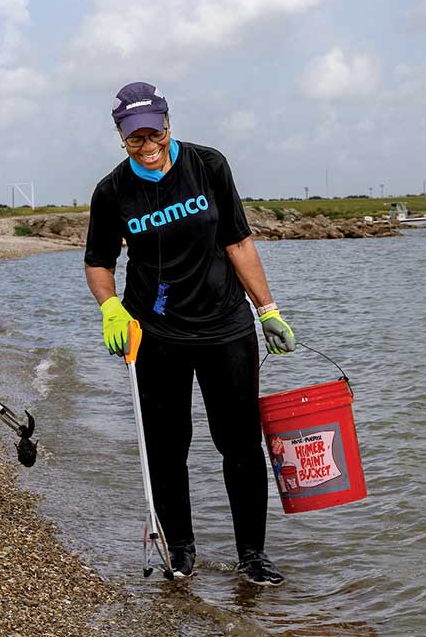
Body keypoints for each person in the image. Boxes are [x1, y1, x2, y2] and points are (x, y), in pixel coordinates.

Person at [83, 82, 296, 586]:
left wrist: (268, 309)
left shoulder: (209, 166)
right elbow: (98, 261)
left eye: (154, 132)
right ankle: (179, 550)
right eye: (135, 138)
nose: (147, 145)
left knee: (240, 443)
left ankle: (252, 556)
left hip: (225, 326)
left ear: (169, 124)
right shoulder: (112, 191)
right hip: (154, 332)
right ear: (121, 137)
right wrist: (111, 308)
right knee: (167, 444)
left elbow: (237, 240)